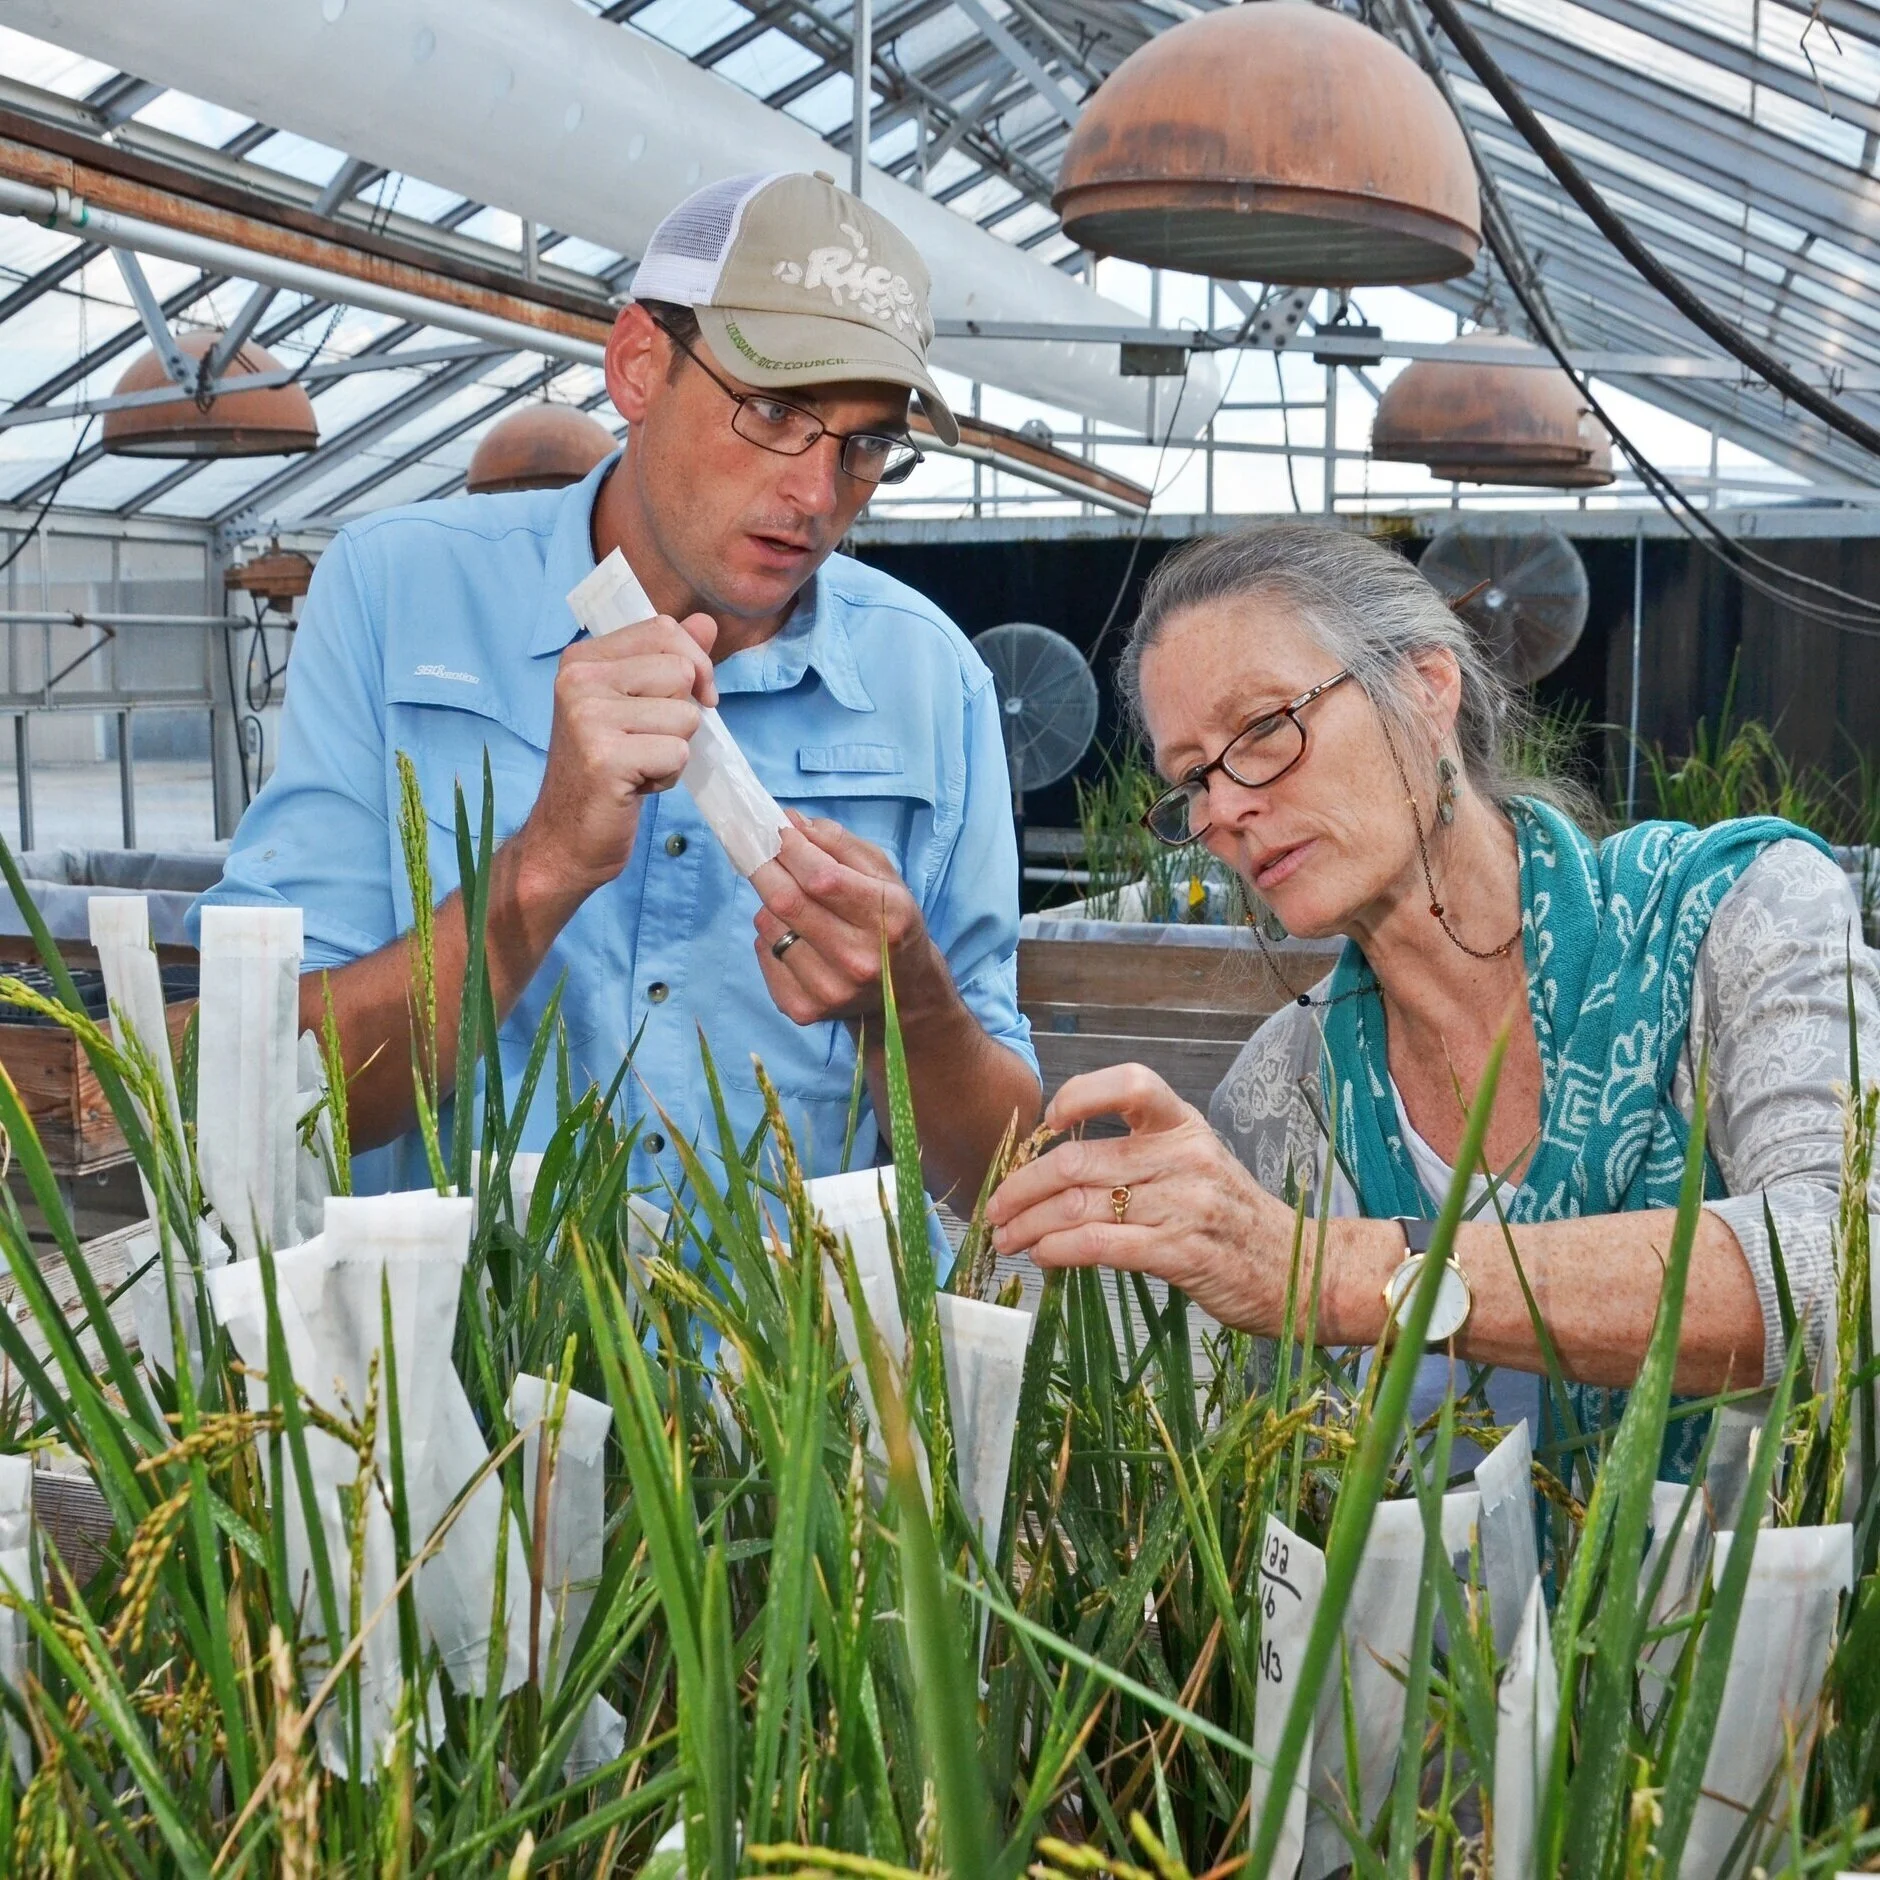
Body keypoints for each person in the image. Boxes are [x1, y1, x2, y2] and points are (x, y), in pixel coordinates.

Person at [194, 171, 1041, 1200]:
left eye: (865, 444)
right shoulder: (399, 593)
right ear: (639, 365)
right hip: (448, 1350)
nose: (817, 496)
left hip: (780, 1358)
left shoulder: (930, 676)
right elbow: (257, 1083)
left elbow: (995, 1171)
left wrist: (911, 1008)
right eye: (773, 410)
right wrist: (541, 866)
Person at [986, 521, 1880, 1474]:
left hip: (1727, 1616)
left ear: (1425, 687)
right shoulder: (1287, 1092)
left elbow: (1846, 1268)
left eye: (1261, 731)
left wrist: (1324, 1273)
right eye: (1192, 780)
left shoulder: (1729, 920)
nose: (1227, 808)